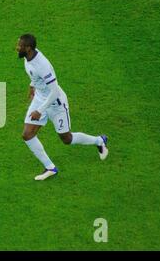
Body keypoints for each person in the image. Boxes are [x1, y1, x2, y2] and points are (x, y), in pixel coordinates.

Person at [16, 34, 108, 181]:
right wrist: (32, 86)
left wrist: (40, 111)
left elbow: (54, 91)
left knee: (66, 139)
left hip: (56, 103)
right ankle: (50, 168)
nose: (17, 48)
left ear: (28, 48)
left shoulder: (42, 65)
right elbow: (35, 76)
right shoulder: (28, 57)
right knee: (27, 135)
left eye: (19, 46)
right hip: (40, 99)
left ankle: (99, 141)